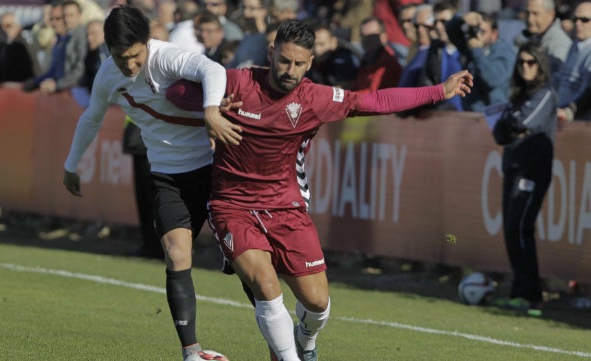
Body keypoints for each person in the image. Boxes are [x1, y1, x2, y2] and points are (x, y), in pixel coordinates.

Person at [166, 19, 473, 361]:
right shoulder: (238, 80)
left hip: (287, 209)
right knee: (266, 287)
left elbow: (374, 101)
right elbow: (175, 90)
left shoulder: (316, 99)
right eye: (283, 60)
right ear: (271, 53)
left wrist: (438, 91)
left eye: (299, 64)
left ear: (310, 63)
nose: (289, 70)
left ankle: (306, 340)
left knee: (317, 303)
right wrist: (211, 106)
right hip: (232, 206)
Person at [61, 5, 240, 361]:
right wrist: (70, 166)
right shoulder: (108, 75)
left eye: (135, 55)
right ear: (109, 51)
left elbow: (212, 68)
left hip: (212, 168)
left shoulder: (166, 57)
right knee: (176, 254)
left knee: (248, 264)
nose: (129, 65)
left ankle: (281, 349)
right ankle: (191, 351)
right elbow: (91, 119)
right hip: (167, 175)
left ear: (147, 42)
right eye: (120, 57)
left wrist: (211, 110)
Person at [491, 41, 557, 314]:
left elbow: (522, 122)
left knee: (520, 228)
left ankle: (531, 294)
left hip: (532, 170)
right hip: (513, 165)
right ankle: (519, 289)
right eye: (522, 62)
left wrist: (511, 124)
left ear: (540, 65)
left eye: (531, 62)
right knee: (510, 228)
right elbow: (499, 132)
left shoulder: (545, 93)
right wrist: (510, 125)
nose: (525, 67)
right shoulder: (519, 94)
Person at [447, 11, 516, 112]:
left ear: (494, 33)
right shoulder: (472, 48)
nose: (478, 35)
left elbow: (491, 79)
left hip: (494, 116)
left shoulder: (505, 52)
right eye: (476, 30)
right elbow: (450, 31)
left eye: (482, 31)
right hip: (471, 115)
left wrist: (477, 51)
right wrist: (462, 19)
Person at [552, 1, 591, 122]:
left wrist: (569, 111)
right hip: (560, 117)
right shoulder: (575, 46)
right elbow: (560, 79)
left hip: (580, 122)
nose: (578, 23)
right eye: (575, 19)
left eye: (584, 20)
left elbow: (588, 94)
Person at [521, 0, 572, 75]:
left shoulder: (559, 44)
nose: (530, 19)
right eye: (527, 13)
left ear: (551, 15)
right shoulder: (537, 36)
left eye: (535, 14)